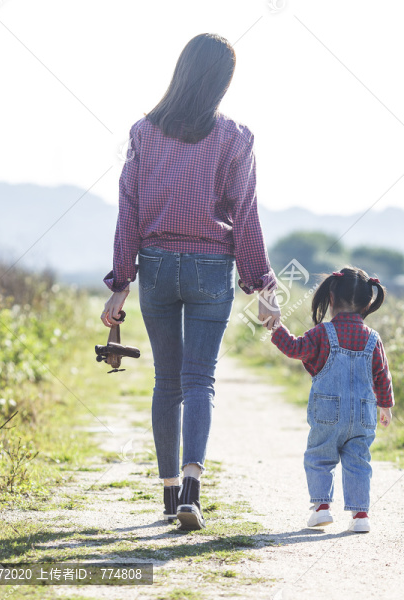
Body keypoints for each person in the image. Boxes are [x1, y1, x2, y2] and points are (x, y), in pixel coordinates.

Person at [101, 33, 281, 531]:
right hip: (210, 269)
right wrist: (263, 289)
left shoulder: (143, 133)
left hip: (156, 266)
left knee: (167, 381)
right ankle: (192, 489)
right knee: (200, 380)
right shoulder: (236, 138)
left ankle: (165, 494)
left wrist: (121, 282)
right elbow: (245, 217)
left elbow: (128, 210)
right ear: (223, 82)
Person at [269, 267, 394, 533]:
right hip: (363, 414)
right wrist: (385, 405)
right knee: (359, 462)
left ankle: (322, 509)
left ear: (332, 298)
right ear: (368, 302)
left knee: (319, 457)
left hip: (328, 413)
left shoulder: (321, 333)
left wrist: (276, 326)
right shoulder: (373, 338)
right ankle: (360, 516)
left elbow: (294, 348)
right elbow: (382, 374)